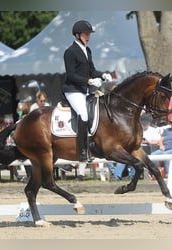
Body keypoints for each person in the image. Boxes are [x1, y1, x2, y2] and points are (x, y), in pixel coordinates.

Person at [62, 20, 112, 162]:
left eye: (89, 34)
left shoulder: (87, 50)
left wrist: (102, 75)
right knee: (83, 115)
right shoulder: (70, 52)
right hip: (73, 90)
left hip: (84, 90)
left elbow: (92, 70)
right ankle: (82, 151)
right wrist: (89, 81)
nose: (88, 36)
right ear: (77, 35)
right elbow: (71, 75)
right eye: (85, 34)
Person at [0, 118, 25, 183]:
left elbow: (8, 143)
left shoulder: (5, 133)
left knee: (11, 162)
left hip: (5, 151)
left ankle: (18, 176)